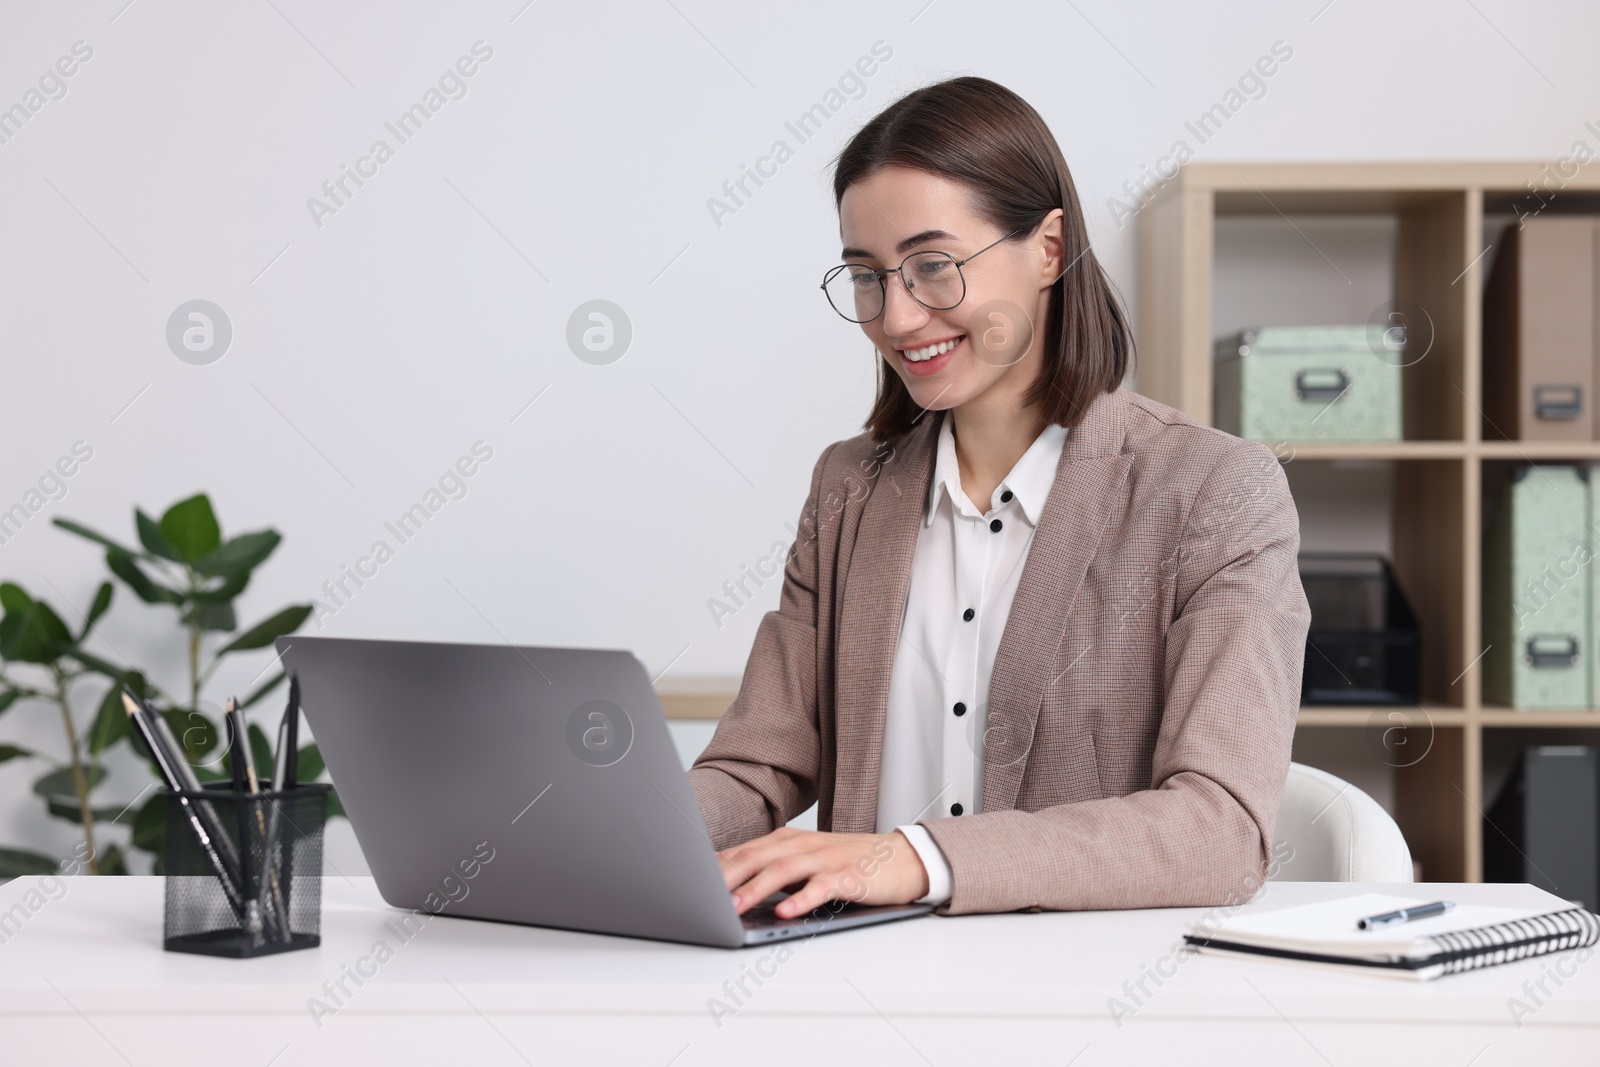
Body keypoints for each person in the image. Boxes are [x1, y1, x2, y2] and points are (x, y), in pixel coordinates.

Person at [687, 76, 1311, 921]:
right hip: (855, 984)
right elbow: (758, 767)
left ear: (1050, 248)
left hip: (1087, 999)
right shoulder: (847, 487)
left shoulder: (1213, 492)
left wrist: (913, 857)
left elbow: (1219, 830)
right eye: (867, 276)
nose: (898, 318)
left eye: (934, 267)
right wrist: (606, 838)